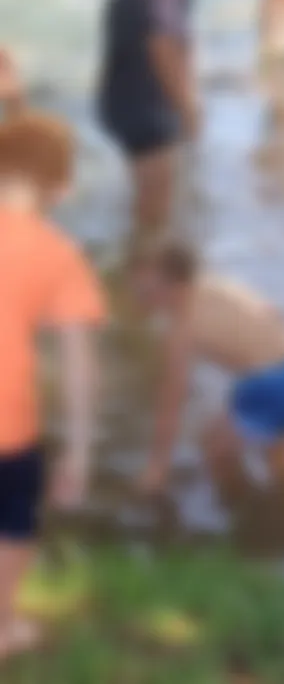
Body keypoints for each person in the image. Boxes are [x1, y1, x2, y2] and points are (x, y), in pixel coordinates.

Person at [0, 113, 102, 660]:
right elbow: (78, 364)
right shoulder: (59, 254)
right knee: (13, 525)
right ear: (59, 189)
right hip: (8, 432)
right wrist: (79, 453)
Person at [132, 241, 284, 494]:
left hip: (273, 385)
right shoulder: (213, 285)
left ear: (176, 287)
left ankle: (242, 512)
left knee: (213, 448)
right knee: (279, 452)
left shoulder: (181, 331)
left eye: (147, 291)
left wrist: (157, 467)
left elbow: (171, 403)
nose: (139, 297)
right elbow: (271, 315)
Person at [97, 0, 203, 239]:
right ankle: (146, 257)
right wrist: (188, 107)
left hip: (119, 102)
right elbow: (163, 50)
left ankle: (138, 252)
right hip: (147, 108)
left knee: (143, 188)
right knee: (158, 194)